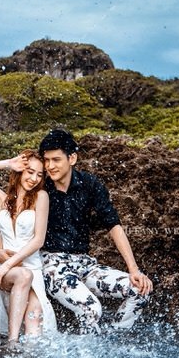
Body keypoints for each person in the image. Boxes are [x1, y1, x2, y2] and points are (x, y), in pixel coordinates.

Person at [22, 129, 153, 332]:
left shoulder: (89, 184)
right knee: (91, 309)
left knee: (140, 291)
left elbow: (113, 225)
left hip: (85, 265)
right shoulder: (40, 187)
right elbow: (11, 207)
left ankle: (113, 338)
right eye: (46, 160)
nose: (50, 166)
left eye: (56, 160)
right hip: (51, 266)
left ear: (72, 158)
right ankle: (87, 351)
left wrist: (134, 270)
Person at [0, 150, 57, 343]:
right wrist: (8, 163)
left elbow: (38, 240)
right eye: (30, 172)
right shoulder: (3, 200)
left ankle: (26, 356)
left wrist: (8, 264)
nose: (34, 179)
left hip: (28, 267)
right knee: (23, 276)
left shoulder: (41, 197)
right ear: (20, 171)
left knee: (35, 326)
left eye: (39, 175)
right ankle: (12, 342)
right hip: (2, 268)